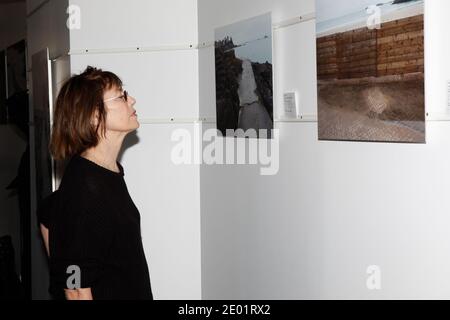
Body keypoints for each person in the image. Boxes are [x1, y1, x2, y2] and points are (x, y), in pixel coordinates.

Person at [36, 66, 153, 300]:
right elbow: (76, 285)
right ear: (94, 115)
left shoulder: (105, 172)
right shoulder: (86, 188)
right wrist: (67, 271)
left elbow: (48, 211)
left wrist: (62, 255)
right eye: (121, 96)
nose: (132, 100)